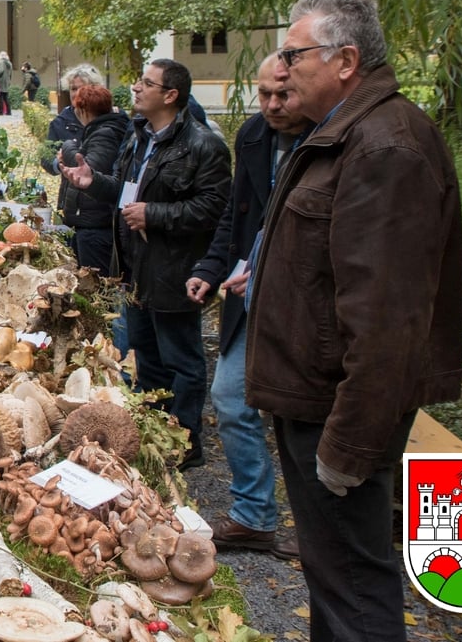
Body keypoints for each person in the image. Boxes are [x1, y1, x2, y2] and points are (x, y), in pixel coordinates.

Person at [247, 0, 462, 641]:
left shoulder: (384, 147)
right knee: (334, 575)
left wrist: (350, 445)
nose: (282, 68)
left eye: (294, 54)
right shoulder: (345, 133)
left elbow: (389, 321)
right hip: (317, 399)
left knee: (353, 586)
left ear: (345, 61)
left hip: (337, 412)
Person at [60, 58, 230, 468]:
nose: (136, 88)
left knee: (181, 359)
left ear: (170, 95)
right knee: (145, 357)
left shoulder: (203, 145)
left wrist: (154, 214)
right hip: (135, 267)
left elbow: (214, 208)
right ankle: (154, 435)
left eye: (146, 83)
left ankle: (185, 442)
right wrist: (95, 184)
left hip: (174, 269)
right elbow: (130, 192)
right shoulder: (139, 137)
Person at [184, 57, 308, 562]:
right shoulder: (255, 135)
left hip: (304, 304)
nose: (272, 106)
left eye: (284, 95)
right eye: (264, 95)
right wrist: (211, 268)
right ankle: (254, 515)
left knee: (303, 417)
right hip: (249, 293)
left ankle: (319, 528)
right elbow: (237, 219)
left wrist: (266, 267)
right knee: (231, 397)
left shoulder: (331, 137)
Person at [40, 83, 127, 271]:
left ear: (83, 111)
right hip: (88, 221)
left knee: (94, 279)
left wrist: (68, 147)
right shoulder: (101, 129)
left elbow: (87, 169)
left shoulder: (105, 133)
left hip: (94, 223)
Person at [0, 50, 13, 115]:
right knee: (6, 97)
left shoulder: (1, 62)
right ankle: (9, 111)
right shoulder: (9, 63)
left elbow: (1, 70)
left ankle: (0, 111)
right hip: (7, 81)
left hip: (1, 81)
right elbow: (11, 73)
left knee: (0, 97)